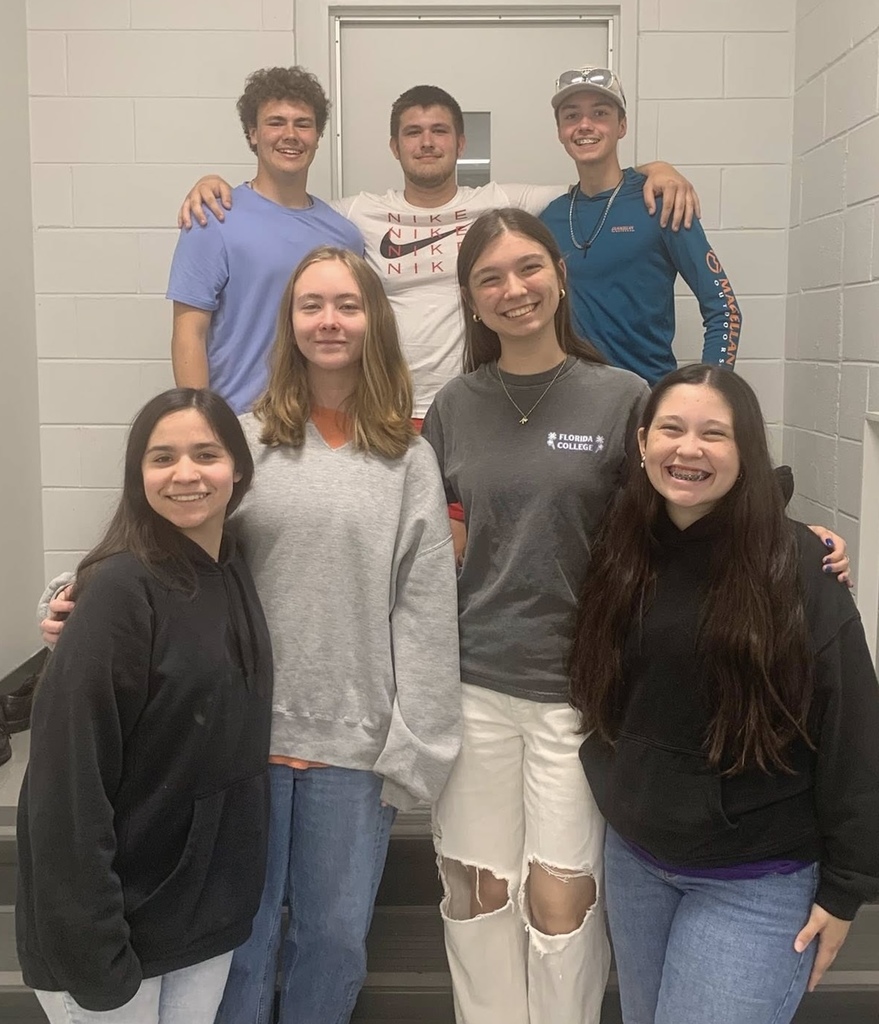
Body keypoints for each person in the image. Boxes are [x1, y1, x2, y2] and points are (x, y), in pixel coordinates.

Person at [37, 247, 462, 1024]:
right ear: (288, 322)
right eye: (311, 305)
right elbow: (164, 532)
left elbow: (425, 609)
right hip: (235, 746)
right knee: (243, 943)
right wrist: (75, 592)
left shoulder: (408, 460)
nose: (328, 321)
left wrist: (419, 749)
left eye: (346, 304)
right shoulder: (242, 439)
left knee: (333, 943)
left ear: (374, 320)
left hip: (353, 750)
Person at [570, 365, 879, 1024]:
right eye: (671, 430)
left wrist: (848, 889)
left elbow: (853, 727)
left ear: (746, 454)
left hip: (755, 880)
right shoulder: (618, 547)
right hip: (636, 861)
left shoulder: (796, 567)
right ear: (642, 440)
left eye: (714, 434)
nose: (688, 449)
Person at [420, 207, 649, 1024]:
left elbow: (681, 523)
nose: (511, 289)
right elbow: (432, 547)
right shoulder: (452, 407)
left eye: (526, 269)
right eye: (489, 278)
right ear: (471, 301)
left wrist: (797, 545)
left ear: (557, 274)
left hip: (575, 696)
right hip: (472, 686)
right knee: (476, 895)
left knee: (561, 905)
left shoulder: (621, 397)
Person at [178, 83, 701, 421]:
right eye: (413, 133)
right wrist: (213, 183)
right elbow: (283, 209)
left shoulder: (500, 203)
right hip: (379, 406)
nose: (426, 143)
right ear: (394, 146)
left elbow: (591, 183)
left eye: (439, 132)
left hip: (478, 406)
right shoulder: (351, 216)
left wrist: (656, 169)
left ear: (460, 143)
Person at [17, 388, 273, 1024]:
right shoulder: (119, 592)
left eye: (205, 454)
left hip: (198, 924)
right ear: (139, 476)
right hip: (112, 941)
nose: (185, 474)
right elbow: (66, 786)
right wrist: (95, 951)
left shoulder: (234, 566)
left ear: (237, 467)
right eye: (162, 458)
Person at [167, 67, 364, 414]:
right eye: (276, 122)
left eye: (303, 124)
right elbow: (189, 334)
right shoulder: (212, 218)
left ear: (317, 136)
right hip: (241, 421)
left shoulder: (344, 235)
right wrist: (205, 424)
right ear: (253, 133)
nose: (290, 135)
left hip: (324, 425)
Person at [541, 67, 741, 384]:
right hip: (571, 404)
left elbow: (724, 310)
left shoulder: (662, 202)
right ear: (560, 131)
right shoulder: (549, 218)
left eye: (599, 113)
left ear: (622, 126)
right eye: (571, 116)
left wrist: (711, 391)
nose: (584, 125)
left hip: (646, 398)